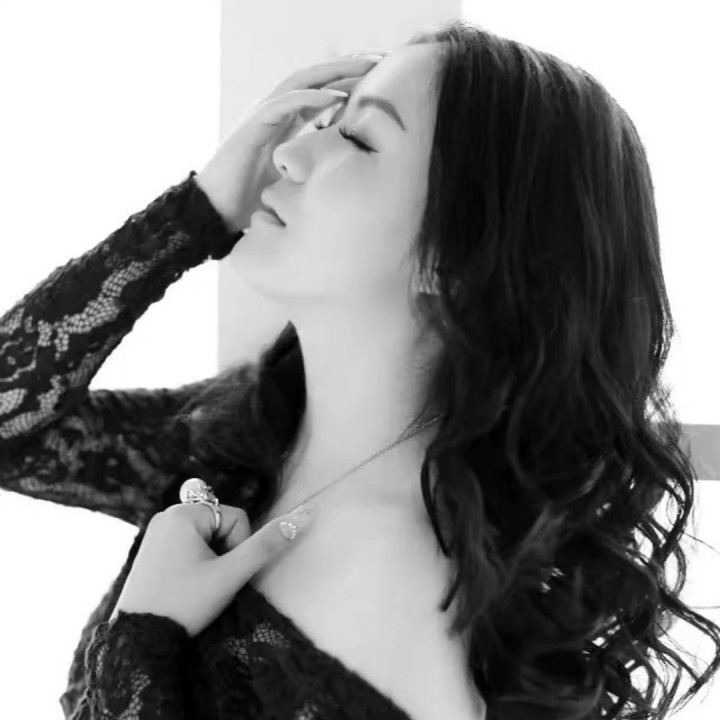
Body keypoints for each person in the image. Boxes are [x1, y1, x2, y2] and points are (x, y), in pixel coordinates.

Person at [1, 17, 719, 720]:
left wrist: (142, 635)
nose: (286, 152)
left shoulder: (391, 579)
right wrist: (194, 211)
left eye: (356, 137)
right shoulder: (253, 432)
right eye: (326, 120)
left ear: (455, 261)